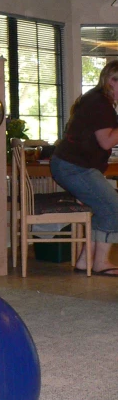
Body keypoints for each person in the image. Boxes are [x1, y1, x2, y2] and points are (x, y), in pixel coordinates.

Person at [50, 59, 118, 276]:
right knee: (113, 208)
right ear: (107, 80)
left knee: (105, 208)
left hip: (71, 165)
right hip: (74, 167)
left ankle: (84, 261)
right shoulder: (101, 103)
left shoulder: (96, 100)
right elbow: (106, 142)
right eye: (116, 80)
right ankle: (100, 263)